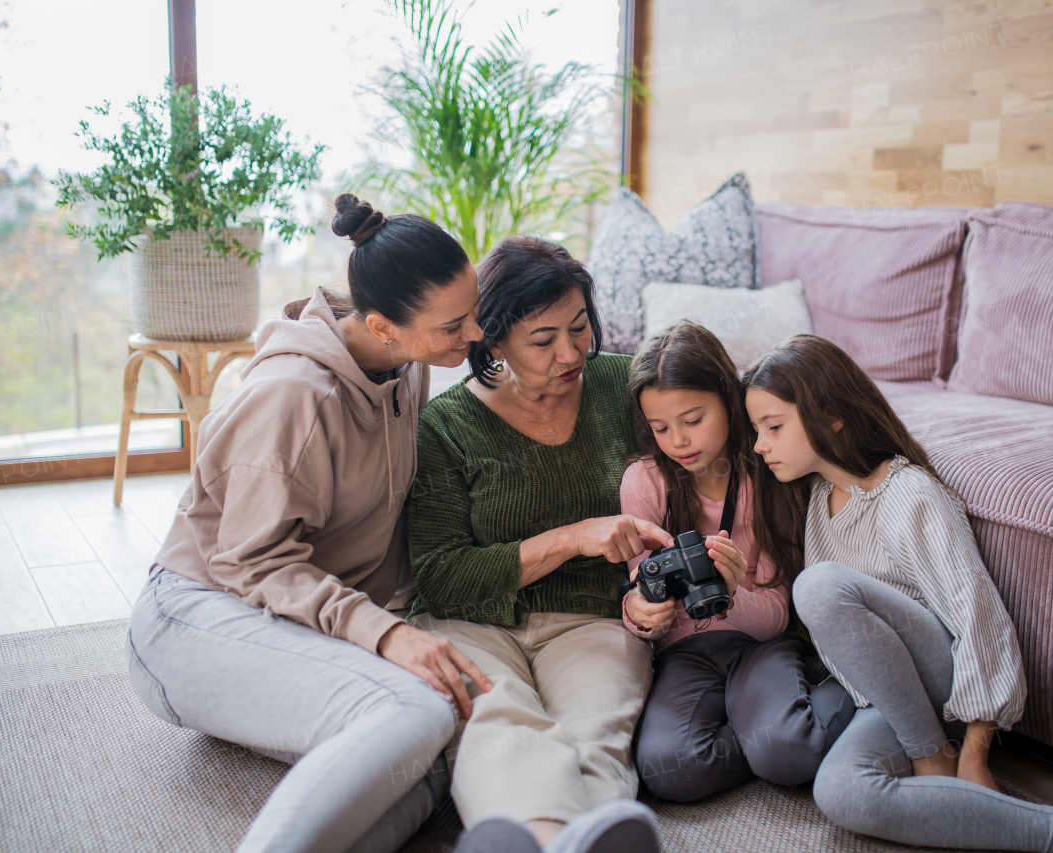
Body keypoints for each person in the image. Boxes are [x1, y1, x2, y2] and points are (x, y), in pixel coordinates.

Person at [125, 194, 494, 853]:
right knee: (416, 708)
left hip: (290, 621)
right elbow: (250, 561)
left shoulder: (406, 368)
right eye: (454, 327)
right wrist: (381, 635)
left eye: (475, 314)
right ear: (383, 325)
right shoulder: (290, 396)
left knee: (436, 763)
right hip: (196, 617)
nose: (474, 338)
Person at [741, 334, 1053, 853]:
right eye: (756, 430)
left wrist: (973, 753)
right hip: (887, 702)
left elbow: (977, 615)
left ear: (832, 414)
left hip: (942, 680)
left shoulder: (907, 494)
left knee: (816, 587)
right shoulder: (819, 500)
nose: (759, 445)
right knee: (841, 795)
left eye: (773, 428)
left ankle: (935, 756)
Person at [405, 236, 670, 853]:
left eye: (579, 327)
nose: (570, 352)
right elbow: (439, 574)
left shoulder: (623, 385)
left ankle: (575, 838)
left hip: (592, 617)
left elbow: (696, 457)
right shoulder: (444, 426)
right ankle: (547, 838)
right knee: (498, 721)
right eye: (543, 340)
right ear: (490, 340)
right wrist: (574, 538)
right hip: (473, 622)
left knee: (597, 729)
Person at [618, 321, 854, 802]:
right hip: (684, 653)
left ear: (728, 399)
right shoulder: (643, 482)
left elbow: (777, 618)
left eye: (693, 419)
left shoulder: (767, 473)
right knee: (666, 769)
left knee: (786, 753)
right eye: (660, 428)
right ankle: (772, 728)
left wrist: (733, 594)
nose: (678, 441)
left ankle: (847, 697)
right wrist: (639, 612)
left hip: (760, 642)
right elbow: (644, 588)